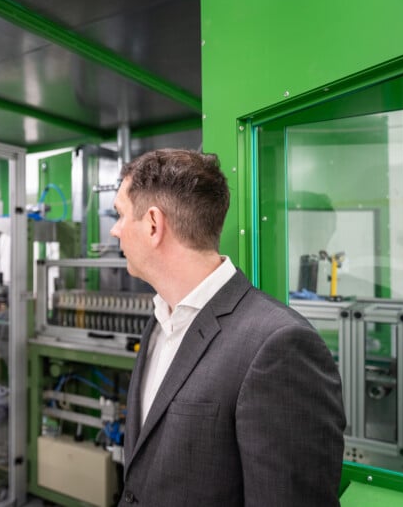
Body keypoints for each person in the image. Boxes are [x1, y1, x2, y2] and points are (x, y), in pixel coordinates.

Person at [110, 149, 345, 506]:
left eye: (120, 215)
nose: (115, 230)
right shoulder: (161, 322)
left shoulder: (278, 345)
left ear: (154, 225)